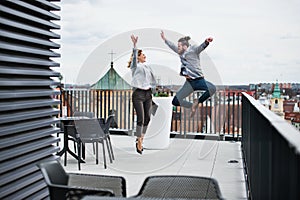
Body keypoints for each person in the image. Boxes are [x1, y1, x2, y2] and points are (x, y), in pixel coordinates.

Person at [160, 31, 216, 117]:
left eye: (179, 46)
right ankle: (192, 106)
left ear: (185, 46)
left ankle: (198, 101)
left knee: (212, 88)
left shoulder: (193, 50)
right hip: (189, 83)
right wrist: (165, 39)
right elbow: (172, 46)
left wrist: (206, 42)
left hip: (199, 80)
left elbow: (201, 47)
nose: (177, 48)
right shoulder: (180, 52)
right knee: (175, 101)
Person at [128, 34, 156, 154]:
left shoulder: (148, 67)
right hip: (138, 94)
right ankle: (139, 141)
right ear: (138, 57)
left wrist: (154, 90)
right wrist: (135, 45)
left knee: (148, 118)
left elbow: (152, 81)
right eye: (143, 55)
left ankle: (141, 138)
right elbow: (134, 57)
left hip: (148, 94)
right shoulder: (135, 67)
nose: (145, 56)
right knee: (141, 118)